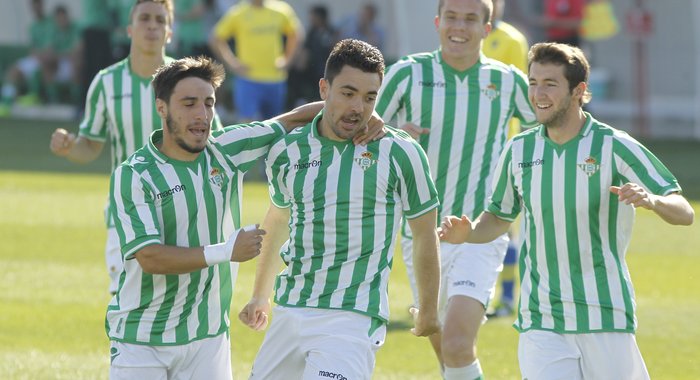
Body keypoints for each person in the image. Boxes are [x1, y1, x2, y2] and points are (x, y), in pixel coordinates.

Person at [439, 42, 695, 380]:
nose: (538, 93)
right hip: (541, 317)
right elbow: (499, 216)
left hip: (604, 313)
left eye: (550, 84)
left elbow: (684, 211)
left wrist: (652, 200)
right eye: (533, 82)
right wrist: (469, 233)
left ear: (579, 91)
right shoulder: (519, 149)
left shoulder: (612, 144)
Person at [238, 39, 441, 379]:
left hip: (353, 316)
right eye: (348, 93)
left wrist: (430, 308)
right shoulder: (287, 152)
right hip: (291, 308)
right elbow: (278, 219)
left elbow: (424, 233)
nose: (358, 107)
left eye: (369, 97)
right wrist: (261, 295)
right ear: (324, 88)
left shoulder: (400, 152)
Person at [375, 0, 536, 378]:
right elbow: (361, 131)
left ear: (487, 28)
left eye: (470, 19)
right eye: (451, 17)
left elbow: (545, 136)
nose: (458, 27)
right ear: (437, 22)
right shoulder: (406, 74)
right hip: (421, 235)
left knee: (458, 343)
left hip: (479, 230)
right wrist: (393, 130)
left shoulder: (508, 80)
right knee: (444, 347)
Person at [105, 55, 289, 379]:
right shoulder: (135, 175)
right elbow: (150, 257)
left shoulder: (226, 151)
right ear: (162, 108)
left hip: (209, 339)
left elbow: (291, 121)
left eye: (209, 103)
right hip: (142, 340)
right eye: (189, 103)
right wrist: (227, 251)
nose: (202, 115)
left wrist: (370, 119)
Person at [49, 0, 224, 294]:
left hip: (183, 209)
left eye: (160, 20)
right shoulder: (106, 82)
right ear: (129, 29)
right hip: (127, 210)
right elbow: (90, 146)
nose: (152, 26)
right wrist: (70, 147)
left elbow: (214, 142)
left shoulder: (187, 82)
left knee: (182, 300)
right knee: (125, 301)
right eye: (144, 18)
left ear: (170, 32)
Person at [482, 0, 530, 318]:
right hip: (470, 150)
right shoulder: (464, 32)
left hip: (503, 150)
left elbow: (527, 98)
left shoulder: (512, 40)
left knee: (503, 226)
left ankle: (509, 297)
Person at [209, 0, 302, 122]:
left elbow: (296, 34)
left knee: (275, 124)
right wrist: (232, 63)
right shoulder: (238, 12)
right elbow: (216, 38)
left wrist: (287, 60)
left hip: (275, 78)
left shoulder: (281, 9)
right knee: (246, 123)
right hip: (248, 79)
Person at [0, 0, 54, 115]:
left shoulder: (51, 24)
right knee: (13, 71)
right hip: (35, 58)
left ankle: (34, 97)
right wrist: (37, 55)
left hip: (46, 60)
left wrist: (42, 56)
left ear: (42, 6)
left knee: (38, 70)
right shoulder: (32, 26)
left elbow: (50, 49)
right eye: (33, 6)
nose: (36, 8)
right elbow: (32, 48)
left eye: (38, 5)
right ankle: (6, 103)